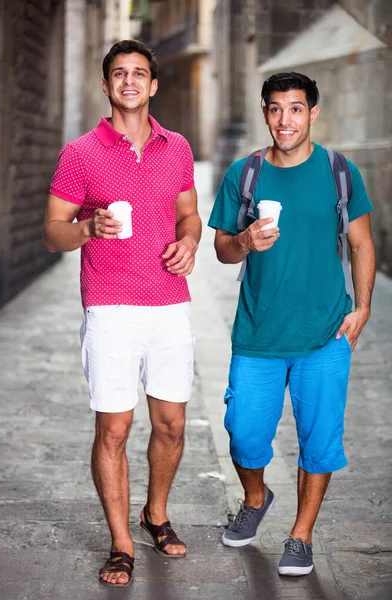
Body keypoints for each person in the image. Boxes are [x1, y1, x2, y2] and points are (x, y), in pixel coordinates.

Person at [43, 40, 201, 587]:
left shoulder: (177, 146)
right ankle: (120, 542)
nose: (130, 81)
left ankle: (155, 514)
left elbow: (189, 214)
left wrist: (190, 242)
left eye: (140, 73)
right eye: (119, 73)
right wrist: (87, 228)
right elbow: (52, 231)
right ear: (106, 85)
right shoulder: (80, 153)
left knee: (172, 425)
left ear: (153, 85)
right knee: (114, 428)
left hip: (168, 303)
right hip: (109, 305)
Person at [208, 72, 375, 576]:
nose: (286, 119)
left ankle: (300, 535)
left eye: (296, 109)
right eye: (276, 109)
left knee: (319, 440)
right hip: (257, 334)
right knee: (243, 435)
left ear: (313, 113)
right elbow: (219, 249)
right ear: (265, 113)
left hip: (323, 334)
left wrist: (362, 307)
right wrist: (243, 242)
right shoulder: (246, 173)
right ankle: (256, 498)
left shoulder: (340, 171)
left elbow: (363, 243)